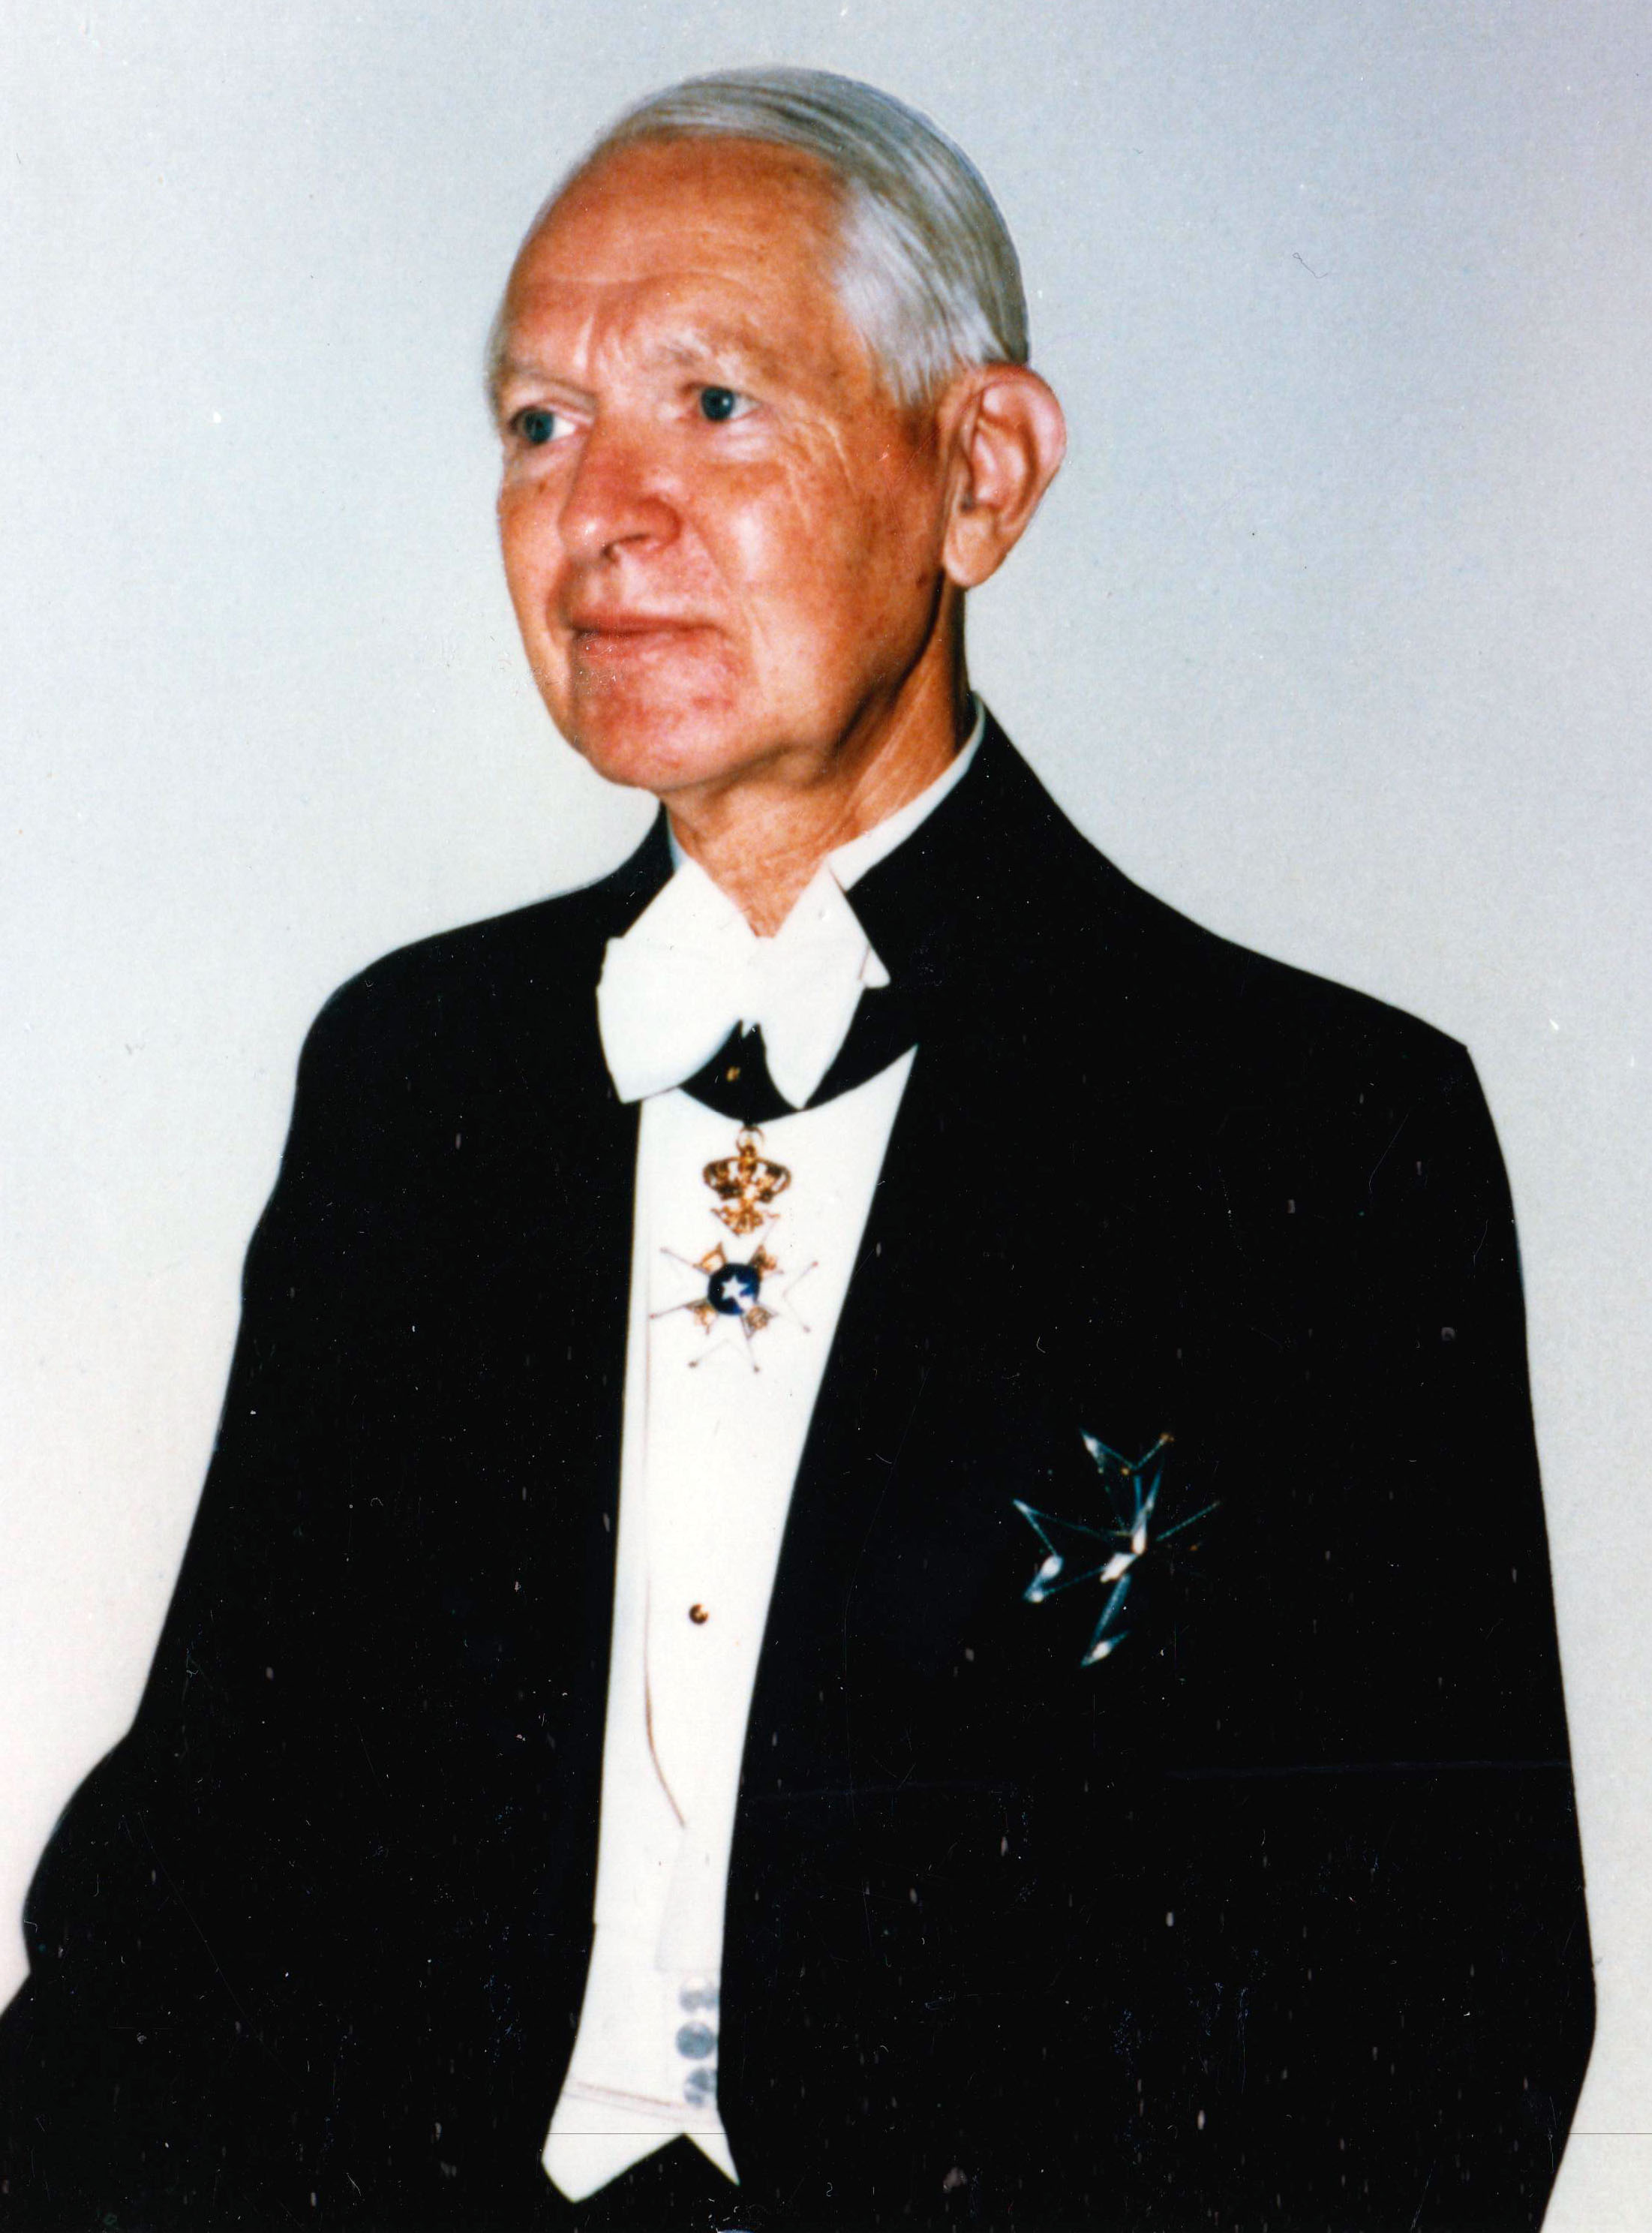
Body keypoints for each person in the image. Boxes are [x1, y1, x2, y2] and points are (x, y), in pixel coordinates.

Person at [0, 67, 1592, 2233]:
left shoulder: (1312, 1133)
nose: (602, 512)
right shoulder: (413, 1077)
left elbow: (1438, 2002)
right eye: (539, 423)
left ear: (980, 472)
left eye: (715, 404)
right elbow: (200, 1868)